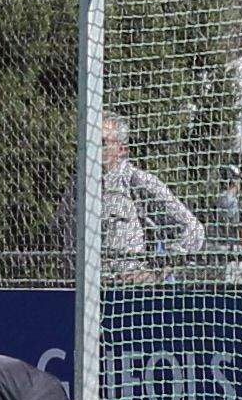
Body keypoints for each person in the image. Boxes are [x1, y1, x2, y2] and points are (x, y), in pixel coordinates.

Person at [53, 111, 204, 281]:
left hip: (125, 294)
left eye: (102, 142)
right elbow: (58, 232)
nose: (92, 149)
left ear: (121, 149)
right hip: (74, 290)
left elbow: (193, 230)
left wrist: (157, 273)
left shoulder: (138, 182)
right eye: (88, 142)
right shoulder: (76, 185)